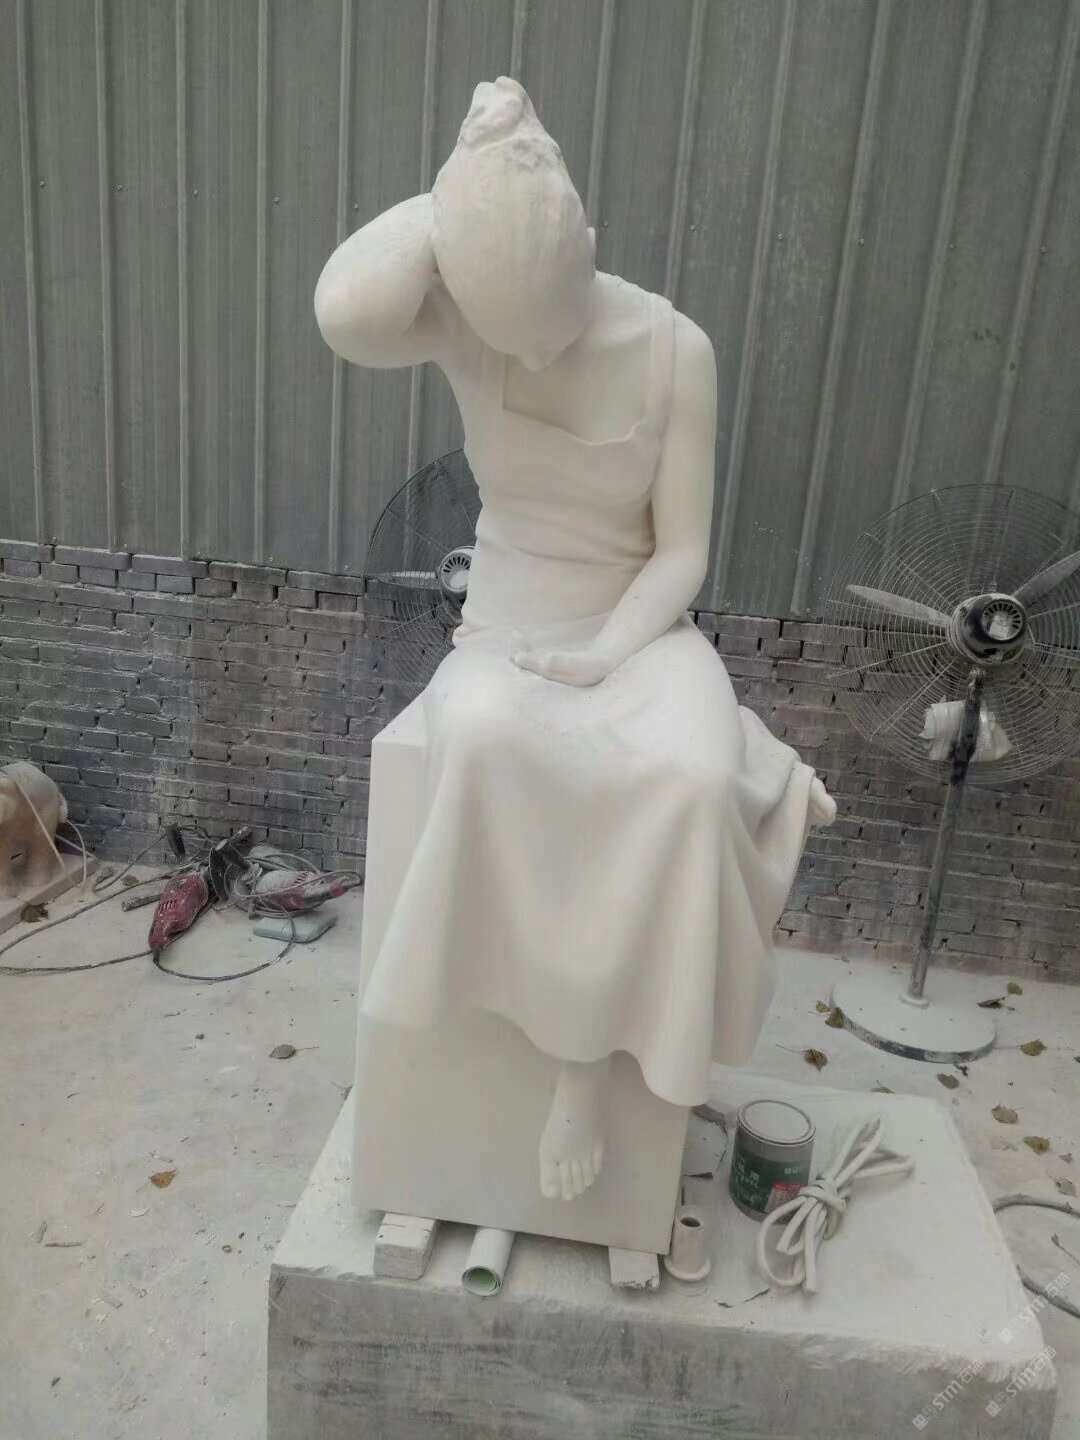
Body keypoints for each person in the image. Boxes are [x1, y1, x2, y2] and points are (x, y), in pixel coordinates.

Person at [315, 78, 835, 1205]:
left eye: (547, 325)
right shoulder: (467, 323)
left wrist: (608, 656)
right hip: (508, 626)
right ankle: (540, 1048)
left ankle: (585, 1068)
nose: (536, 356)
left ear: (589, 246)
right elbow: (345, 312)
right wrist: (463, 199)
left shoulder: (677, 350)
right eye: (514, 334)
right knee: (488, 745)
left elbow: (681, 553)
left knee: (693, 779)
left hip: (639, 626)